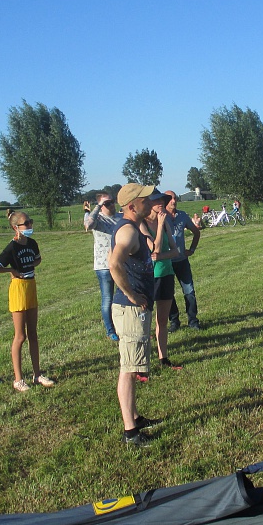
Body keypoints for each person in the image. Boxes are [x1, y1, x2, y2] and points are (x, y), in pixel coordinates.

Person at [108, 183, 166, 445]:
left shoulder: (133, 227)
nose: (150, 201)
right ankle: (130, 431)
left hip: (135, 309)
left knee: (131, 367)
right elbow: (114, 263)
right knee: (129, 369)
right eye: (145, 199)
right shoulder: (128, 231)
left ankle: (134, 417)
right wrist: (131, 295)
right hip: (130, 309)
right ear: (132, 206)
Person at [0, 211, 54, 391]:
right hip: (18, 289)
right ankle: (18, 379)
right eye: (26, 223)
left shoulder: (32, 243)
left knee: (33, 333)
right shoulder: (12, 247)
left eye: (30, 221)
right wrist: (11, 271)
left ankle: (37, 375)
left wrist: (30, 265)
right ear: (16, 227)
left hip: (31, 286)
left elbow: (37, 259)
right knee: (20, 336)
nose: (30, 225)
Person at [142, 197, 183, 369]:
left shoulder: (165, 222)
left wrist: (160, 257)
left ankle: (163, 358)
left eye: (162, 201)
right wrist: (159, 226)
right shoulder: (142, 224)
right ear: (149, 204)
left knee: (163, 321)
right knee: (144, 322)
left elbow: (175, 251)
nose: (161, 204)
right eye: (156, 201)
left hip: (166, 273)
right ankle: (141, 362)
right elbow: (155, 248)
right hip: (150, 276)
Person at [84, 193, 123, 341]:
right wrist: (98, 206)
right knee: (108, 298)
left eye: (112, 202)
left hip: (120, 263)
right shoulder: (97, 219)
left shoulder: (120, 217)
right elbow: (88, 225)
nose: (111, 205)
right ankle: (110, 330)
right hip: (104, 266)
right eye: (107, 203)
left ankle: (123, 326)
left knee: (124, 296)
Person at [164, 191, 202, 332]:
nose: (173, 201)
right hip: (167, 262)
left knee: (189, 291)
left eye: (175, 198)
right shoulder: (160, 217)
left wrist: (191, 249)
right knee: (169, 294)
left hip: (182, 261)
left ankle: (193, 321)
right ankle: (174, 321)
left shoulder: (182, 215)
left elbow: (196, 232)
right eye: (170, 199)